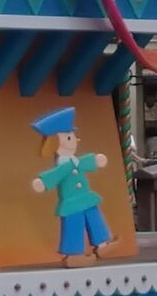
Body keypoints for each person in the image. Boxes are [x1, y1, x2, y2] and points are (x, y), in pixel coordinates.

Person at [31, 106, 115, 267]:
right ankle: (73, 254)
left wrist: (96, 160)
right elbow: (54, 176)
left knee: (94, 218)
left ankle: (102, 244)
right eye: (69, 137)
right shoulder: (63, 166)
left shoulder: (76, 161)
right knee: (73, 226)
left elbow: (86, 162)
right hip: (71, 203)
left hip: (86, 198)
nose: (75, 140)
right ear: (56, 143)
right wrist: (43, 182)